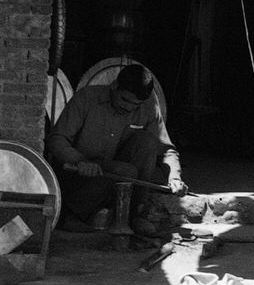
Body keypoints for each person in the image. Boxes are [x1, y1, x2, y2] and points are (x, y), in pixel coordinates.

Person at [46, 64, 185, 233]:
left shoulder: (148, 106)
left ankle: (134, 215)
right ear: (114, 86)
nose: (129, 107)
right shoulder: (86, 98)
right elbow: (56, 139)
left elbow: (166, 150)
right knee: (124, 171)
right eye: (125, 100)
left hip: (118, 174)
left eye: (136, 104)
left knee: (147, 142)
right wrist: (79, 160)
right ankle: (69, 215)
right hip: (78, 175)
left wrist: (175, 178)